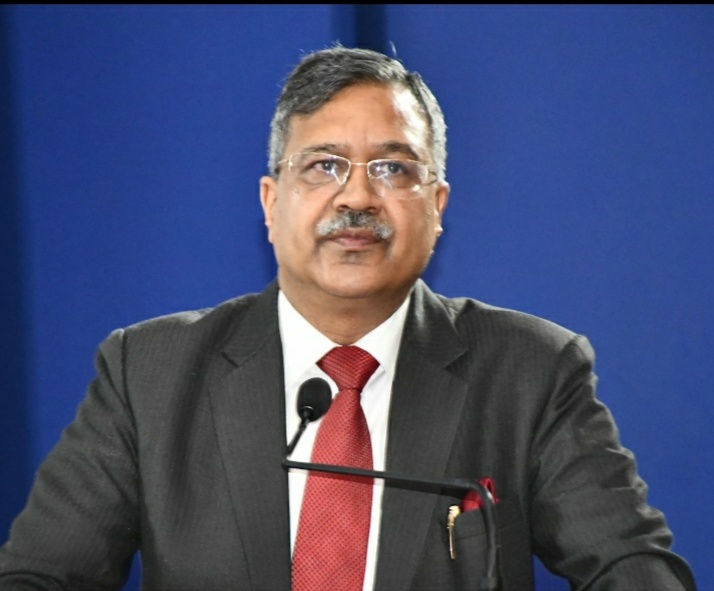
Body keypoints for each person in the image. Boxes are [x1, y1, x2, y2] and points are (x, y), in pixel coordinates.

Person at [0, 46, 696, 591]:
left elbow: (630, 566)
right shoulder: (147, 373)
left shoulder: (530, 371)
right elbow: (41, 575)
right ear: (271, 202)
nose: (357, 196)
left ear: (437, 206)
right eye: (324, 165)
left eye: (393, 169)